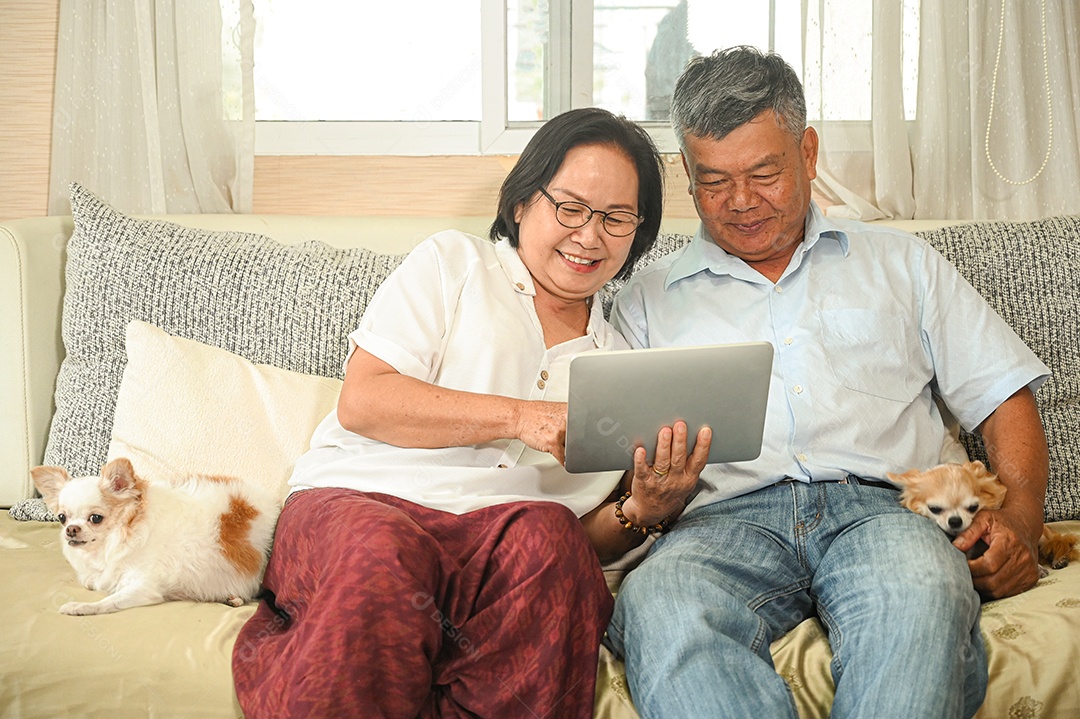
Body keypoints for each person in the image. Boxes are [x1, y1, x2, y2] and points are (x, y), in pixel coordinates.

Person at [605, 46, 1051, 719]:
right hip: (719, 526)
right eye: (715, 180)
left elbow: (1002, 399)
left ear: (808, 153)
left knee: (923, 589)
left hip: (887, 511)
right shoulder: (640, 299)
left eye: (764, 172)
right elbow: (615, 472)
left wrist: (1020, 520)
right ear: (687, 176)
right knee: (658, 602)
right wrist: (651, 499)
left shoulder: (903, 263)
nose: (742, 202)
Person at [230, 107, 712, 719]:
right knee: (384, 552)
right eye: (570, 207)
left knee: (554, 542)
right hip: (362, 504)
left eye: (617, 218)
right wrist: (521, 416)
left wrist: (641, 510)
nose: (590, 236)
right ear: (520, 202)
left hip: (493, 549)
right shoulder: (453, 264)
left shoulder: (619, 364)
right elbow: (365, 400)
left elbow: (580, 538)